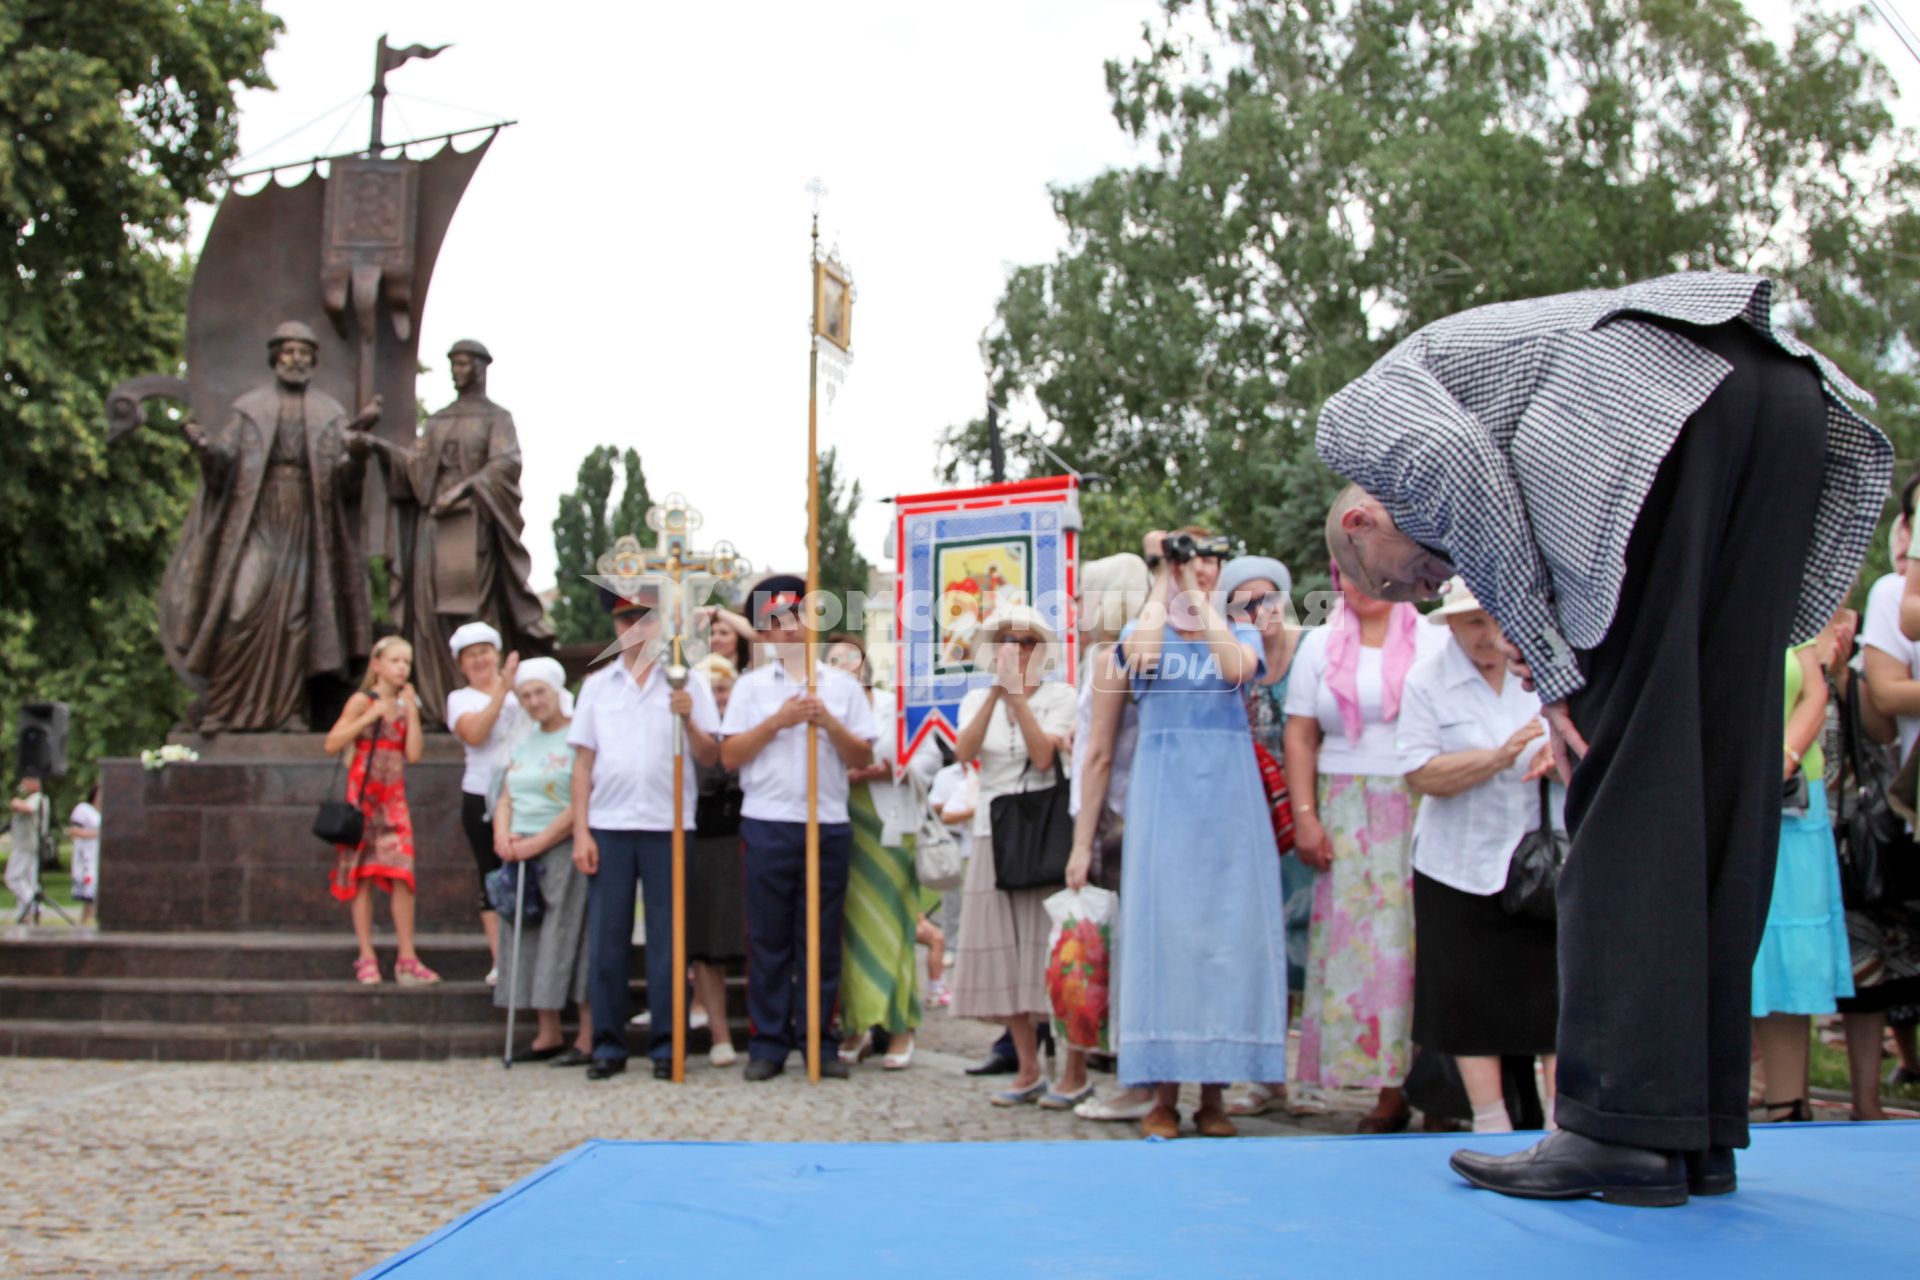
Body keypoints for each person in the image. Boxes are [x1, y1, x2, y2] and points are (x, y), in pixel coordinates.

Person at [1316, 272, 1889, 1203]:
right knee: (1712, 779)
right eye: (1419, 590)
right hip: (1778, 397)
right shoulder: (1447, 384)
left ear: (1359, 519)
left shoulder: (1353, 421)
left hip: (1654, 404)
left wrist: (1552, 671)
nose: (1427, 589)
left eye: (1403, 578)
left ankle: (1616, 1128)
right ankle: (1690, 1125)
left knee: (1624, 793)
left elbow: (1463, 472)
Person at [1107, 533, 1291, 1138]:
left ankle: (1213, 1094)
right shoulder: (1147, 627)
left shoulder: (1232, 632)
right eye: (1193, 561)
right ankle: (1163, 1093)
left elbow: (1237, 669)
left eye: (1211, 562)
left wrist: (1198, 594)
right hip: (1166, 798)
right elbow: (1142, 660)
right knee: (1166, 939)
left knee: (1225, 939)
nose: (1200, 571)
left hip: (1229, 798)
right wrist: (1165, 575)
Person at [1284, 567, 1445, 1131]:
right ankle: (1386, 1087)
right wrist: (1306, 818)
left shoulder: (1433, 638)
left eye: (1373, 574)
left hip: (1421, 802)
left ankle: (1438, 1084)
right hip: (1345, 804)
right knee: (1364, 949)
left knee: (1419, 945)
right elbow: (1300, 735)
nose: (1361, 586)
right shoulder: (1320, 643)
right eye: (1348, 575)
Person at [1397, 580, 1560, 1134]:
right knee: (1465, 1001)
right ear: (1450, 625)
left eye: (1496, 619)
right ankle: (1491, 1122)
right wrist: (1498, 758)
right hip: (1456, 865)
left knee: (1555, 1000)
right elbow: (1420, 773)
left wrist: (1557, 761)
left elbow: (1592, 748)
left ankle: (1565, 1124)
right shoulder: (1426, 680)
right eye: (1472, 623)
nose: (1489, 636)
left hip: (1542, 867)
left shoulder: (1547, 671)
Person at [162, 321, 379, 732]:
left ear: (313, 361)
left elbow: (344, 482)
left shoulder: (328, 413)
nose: (296, 360)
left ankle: (289, 712)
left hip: (305, 521)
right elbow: (223, 464)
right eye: (289, 352)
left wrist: (357, 455)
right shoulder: (250, 408)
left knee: (297, 617)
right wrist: (204, 449)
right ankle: (223, 709)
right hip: (259, 518)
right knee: (243, 607)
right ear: (275, 358)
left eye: (304, 353)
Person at [719, 575, 880, 1081]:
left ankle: (819, 1040)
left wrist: (827, 722)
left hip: (826, 822)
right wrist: (779, 721)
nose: (787, 631)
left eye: (795, 618)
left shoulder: (841, 686)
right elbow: (729, 755)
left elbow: (862, 754)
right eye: (775, 622)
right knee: (768, 937)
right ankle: (767, 1041)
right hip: (767, 822)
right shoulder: (748, 688)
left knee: (821, 936)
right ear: (763, 633)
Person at [353, 340, 554, 724]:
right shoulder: (440, 419)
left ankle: (480, 701)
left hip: (471, 527)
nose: (456, 371)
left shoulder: (497, 418)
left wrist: (463, 489)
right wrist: (382, 450)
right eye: (453, 364)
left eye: (463, 364)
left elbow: (505, 465)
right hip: (435, 528)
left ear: (480, 367)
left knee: (471, 612)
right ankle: (436, 701)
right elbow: (417, 470)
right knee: (429, 614)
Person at [570, 585, 723, 1081]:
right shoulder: (597, 686)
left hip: (667, 824)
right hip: (610, 825)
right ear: (615, 628)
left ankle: (667, 1045)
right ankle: (609, 1047)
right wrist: (580, 832)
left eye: (646, 619)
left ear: (662, 624)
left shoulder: (687, 680)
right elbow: (583, 764)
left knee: (667, 942)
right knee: (608, 940)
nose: (636, 629)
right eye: (625, 620)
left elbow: (710, 756)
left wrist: (689, 719)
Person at [950, 606, 1077, 1105]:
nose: (1017, 649)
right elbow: (964, 752)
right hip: (991, 831)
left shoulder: (1061, 696)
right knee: (1003, 955)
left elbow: (1043, 756)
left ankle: (1070, 1066)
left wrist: (1019, 698)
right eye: (1008, 640)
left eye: (1027, 641)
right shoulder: (975, 698)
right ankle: (1027, 1067)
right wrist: (996, 696)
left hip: (1043, 831)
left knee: (1049, 953)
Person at [1216, 554, 1313, 1121]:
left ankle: (1307, 1072)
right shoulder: (1236, 657)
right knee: (1260, 947)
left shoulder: (1311, 651)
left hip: (1303, 813)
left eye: (1268, 598)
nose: (1261, 610)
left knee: (1306, 945)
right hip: (1249, 817)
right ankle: (1263, 1075)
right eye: (1247, 604)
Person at [1061, 552, 1155, 1119]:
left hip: (1115, 818)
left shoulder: (1110, 654)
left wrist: (1080, 842)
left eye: (1084, 593)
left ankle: (1135, 1081)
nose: (1074, 606)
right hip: (1126, 811)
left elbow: (1100, 756)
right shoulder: (1120, 650)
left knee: (1119, 954)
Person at [1750, 630, 1856, 1122]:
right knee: (1735, 955)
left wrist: (1782, 760)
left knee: (1791, 959)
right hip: (1719, 794)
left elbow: (1814, 693)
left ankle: (1788, 1106)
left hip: (1792, 804)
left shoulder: (1794, 599)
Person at [826, 634, 938, 1071]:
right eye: (833, 661)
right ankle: (857, 1024)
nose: (843, 667)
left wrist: (897, 767)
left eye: (849, 659)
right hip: (844, 824)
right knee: (849, 929)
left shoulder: (897, 708)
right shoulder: (826, 716)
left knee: (894, 925)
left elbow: (929, 754)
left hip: (891, 824)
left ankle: (899, 1026)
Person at [1838, 533, 1920, 1121]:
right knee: (1875, 963)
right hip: (1889, 813)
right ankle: (1873, 1091)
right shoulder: (1893, 594)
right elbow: (1884, 707)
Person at [493, 658, 593, 1066]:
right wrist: (503, 836)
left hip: (560, 844)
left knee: (569, 934)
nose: (535, 702)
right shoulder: (523, 739)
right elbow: (506, 794)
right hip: (519, 848)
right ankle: (547, 1031)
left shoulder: (578, 736)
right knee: (527, 936)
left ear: (557, 693)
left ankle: (587, 1035)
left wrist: (539, 842)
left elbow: (580, 798)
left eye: (541, 693)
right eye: (526, 695)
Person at [322, 635, 438, 985]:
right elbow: (332, 743)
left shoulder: (405, 705)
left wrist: (413, 714)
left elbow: (414, 754)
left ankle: (407, 956)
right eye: (395, 661)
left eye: (406, 662)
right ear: (377, 665)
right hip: (363, 799)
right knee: (362, 877)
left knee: (402, 875)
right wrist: (368, 716)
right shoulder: (362, 700)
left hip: (394, 800)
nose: (402, 668)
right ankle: (366, 955)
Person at [444, 622, 523, 983]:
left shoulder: (521, 691)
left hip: (525, 795)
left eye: (484, 652)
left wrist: (512, 689)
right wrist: (501, 691)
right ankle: (501, 958)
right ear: (461, 664)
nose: (479, 660)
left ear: (497, 654)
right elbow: (475, 734)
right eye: (470, 655)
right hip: (480, 795)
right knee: (490, 875)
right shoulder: (460, 699)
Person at [686, 652, 747, 1068]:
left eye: (722, 689)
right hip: (706, 836)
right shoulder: (689, 731)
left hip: (750, 833)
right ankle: (719, 1034)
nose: (717, 699)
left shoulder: (747, 719)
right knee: (708, 943)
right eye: (709, 691)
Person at [6, 777, 48, 920]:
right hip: (29, 845)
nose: (22, 785)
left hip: (26, 845)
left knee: (13, 878)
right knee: (28, 880)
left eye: (25, 781)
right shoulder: (35, 798)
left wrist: (15, 802)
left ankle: (34, 906)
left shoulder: (37, 798)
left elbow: (28, 808)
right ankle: (24, 914)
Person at [67, 784, 102, 926]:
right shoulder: (83, 810)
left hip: (99, 855)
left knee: (95, 891)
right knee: (90, 889)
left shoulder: (105, 811)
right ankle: (85, 921)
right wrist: (97, 834)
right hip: (87, 857)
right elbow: (74, 831)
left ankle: (88, 920)